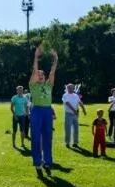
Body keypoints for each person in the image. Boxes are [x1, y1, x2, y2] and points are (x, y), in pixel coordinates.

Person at [29, 46, 59, 175]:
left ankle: (48, 161)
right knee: (36, 137)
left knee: (48, 137)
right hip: (37, 111)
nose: (40, 76)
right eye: (38, 75)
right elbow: (35, 70)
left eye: (42, 74)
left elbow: (52, 72)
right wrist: (36, 57)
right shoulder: (33, 85)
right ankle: (37, 162)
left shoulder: (48, 85)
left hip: (47, 111)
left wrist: (55, 59)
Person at [61, 83, 87, 148]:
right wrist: (74, 111)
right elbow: (67, 103)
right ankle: (67, 143)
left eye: (72, 88)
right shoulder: (65, 95)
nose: (72, 89)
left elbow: (80, 102)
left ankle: (75, 143)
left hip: (75, 115)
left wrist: (84, 109)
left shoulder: (75, 95)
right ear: (67, 88)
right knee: (68, 129)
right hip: (68, 114)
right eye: (70, 88)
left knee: (76, 129)